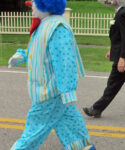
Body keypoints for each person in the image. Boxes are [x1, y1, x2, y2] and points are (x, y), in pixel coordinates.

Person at [8, 0, 96, 150]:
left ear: (46, 4)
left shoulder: (57, 28)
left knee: (34, 130)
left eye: (34, 3)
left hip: (50, 93)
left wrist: (68, 91)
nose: (31, 6)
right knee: (72, 127)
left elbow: (65, 62)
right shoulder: (43, 25)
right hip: (51, 91)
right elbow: (37, 50)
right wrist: (21, 56)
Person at [83, 0, 125, 119]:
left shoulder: (124, 13)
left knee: (113, 84)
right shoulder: (123, 12)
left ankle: (96, 109)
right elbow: (119, 36)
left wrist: (122, 58)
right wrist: (112, 50)